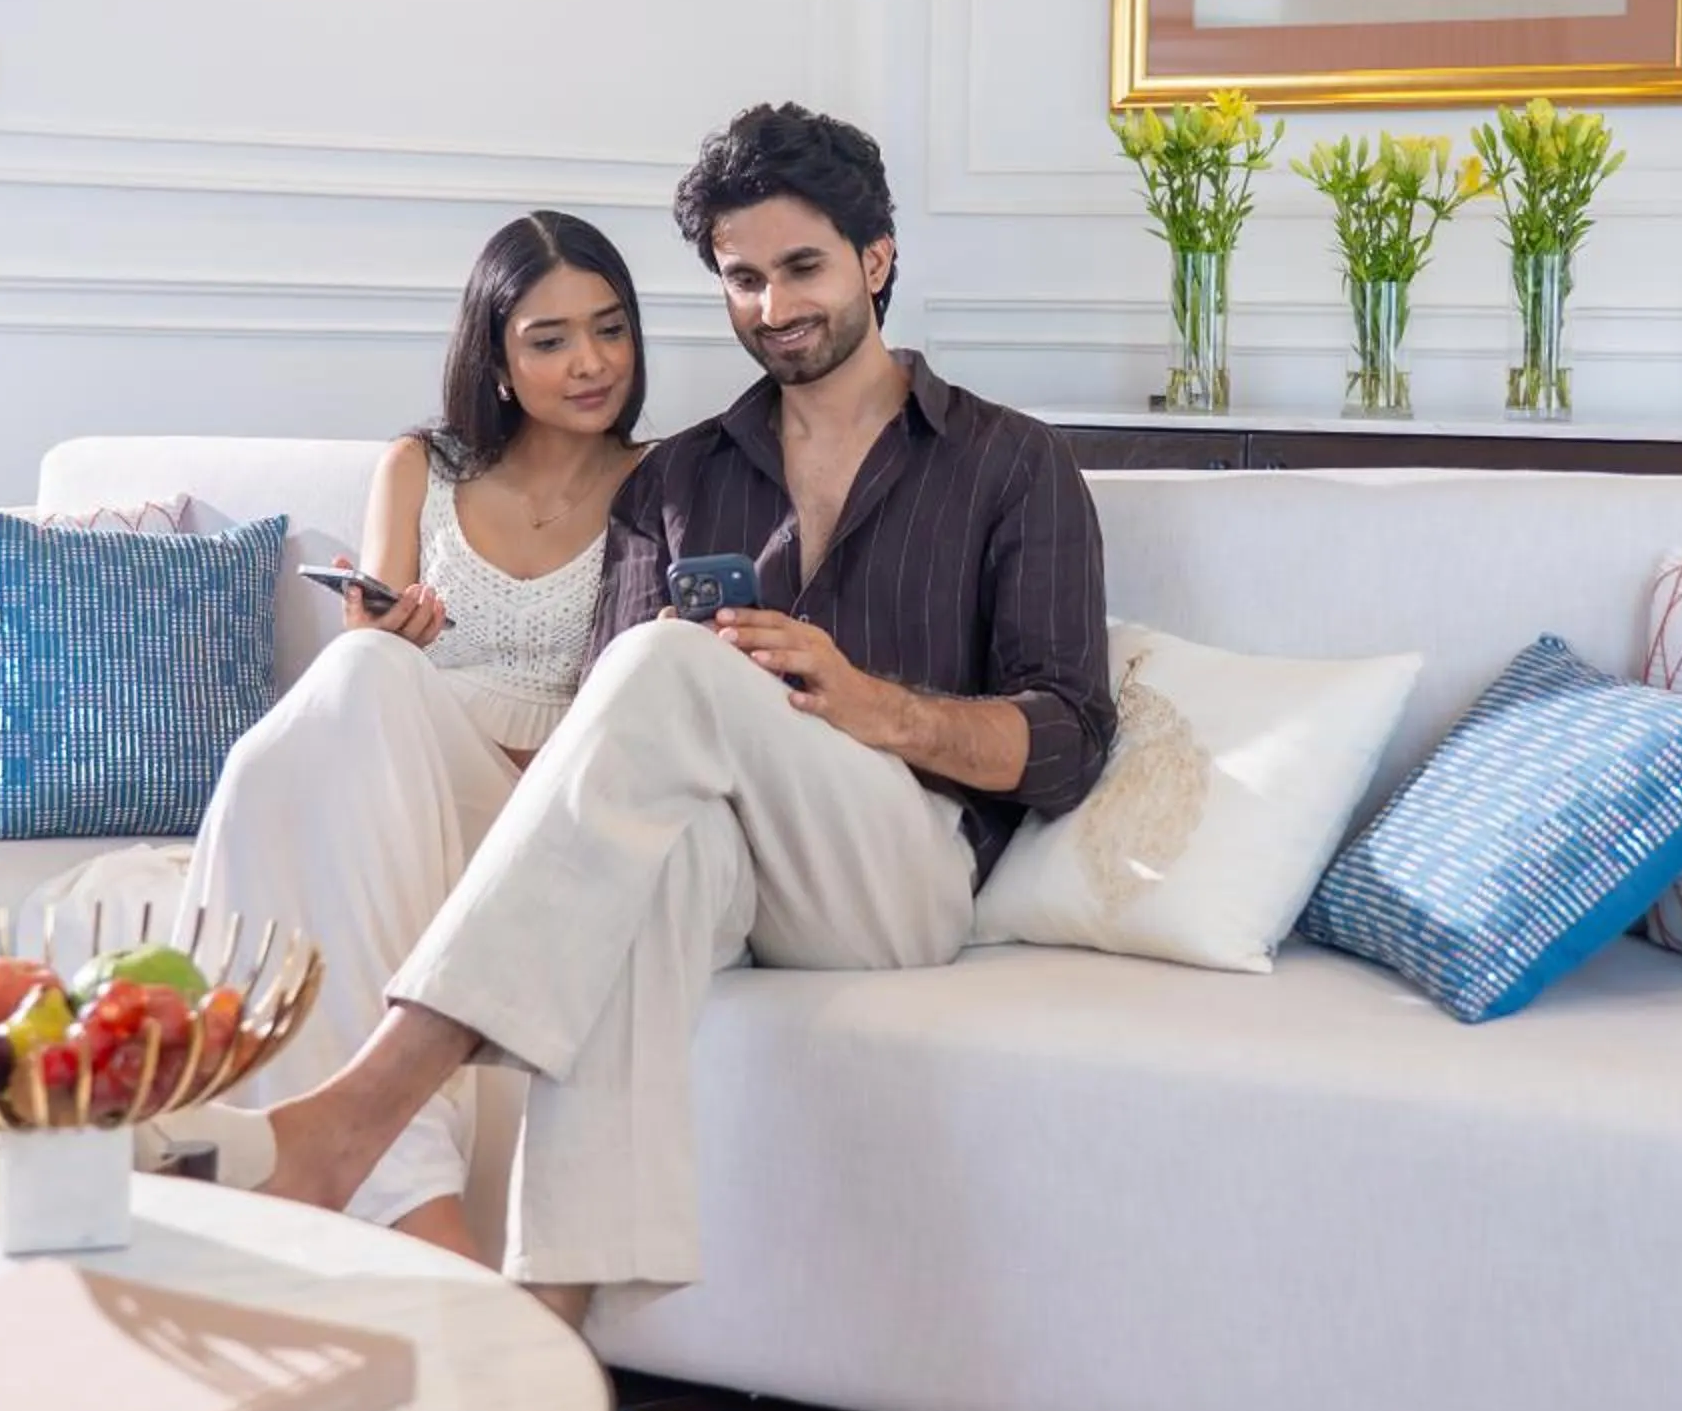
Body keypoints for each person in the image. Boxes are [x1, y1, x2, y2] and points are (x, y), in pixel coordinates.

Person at [247, 102, 1116, 1325]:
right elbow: (611, 728)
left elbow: (1071, 738)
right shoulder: (681, 476)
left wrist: (875, 707)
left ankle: (363, 1105)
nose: (773, 306)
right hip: (721, 864)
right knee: (634, 823)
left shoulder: (1013, 464)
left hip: (894, 871)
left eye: (802, 267)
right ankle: (544, 1329)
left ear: (877, 259)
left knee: (668, 665)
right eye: (742, 279)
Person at [151, 210, 648, 1265]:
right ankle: (409, 1200)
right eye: (550, 340)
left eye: (610, 330)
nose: (591, 362)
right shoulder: (419, 467)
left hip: (540, 799)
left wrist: (381, 666)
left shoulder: (664, 482)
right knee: (363, 673)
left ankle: (305, 1181)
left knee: (353, 693)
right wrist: (383, 632)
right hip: (398, 765)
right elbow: (370, 643)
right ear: (500, 362)